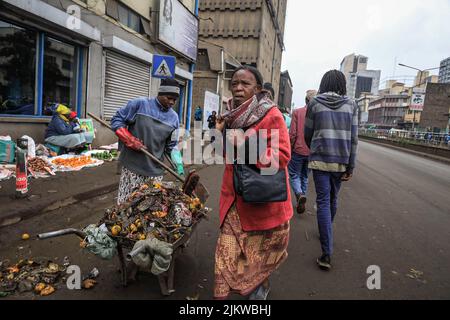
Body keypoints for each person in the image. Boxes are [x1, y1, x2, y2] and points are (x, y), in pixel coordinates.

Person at [214, 66, 292, 300]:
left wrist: (243, 144)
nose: (238, 87)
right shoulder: (231, 116)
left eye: (245, 84)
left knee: (256, 262)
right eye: (234, 83)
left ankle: (258, 294)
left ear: (257, 89)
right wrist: (218, 134)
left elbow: (281, 157)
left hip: (261, 203)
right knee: (224, 260)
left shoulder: (271, 115)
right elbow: (222, 154)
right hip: (234, 202)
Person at [304, 70, 358, 271]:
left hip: (320, 159)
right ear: (342, 85)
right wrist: (351, 165)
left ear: (323, 83)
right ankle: (326, 231)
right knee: (333, 200)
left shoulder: (315, 103)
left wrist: (315, 147)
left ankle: (327, 252)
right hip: (341, 161)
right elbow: (354, 139)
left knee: (323, 202)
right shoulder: (352, 104)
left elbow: (307, 133)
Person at [111, 78, 184, 205]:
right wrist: (129, 139)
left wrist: (178, 164)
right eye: (169, 98)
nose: (172, 102)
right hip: (132, 168)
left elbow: (171, 146)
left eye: (175, 100)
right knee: (125, 207)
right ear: (160, 93)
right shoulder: (140, 104)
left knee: (147, 211)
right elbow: (117, 120)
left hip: (154, 172)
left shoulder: (174, 118)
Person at [288, 90, 317, 214]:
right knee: (305, 176)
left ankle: (299, 195)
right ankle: (302, 197)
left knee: (294, 174)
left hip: (298, 150)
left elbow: (293, 134)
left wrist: (290, 147)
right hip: (312, 151)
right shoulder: (319, 114)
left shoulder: (297, 112)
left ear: (306, 100)